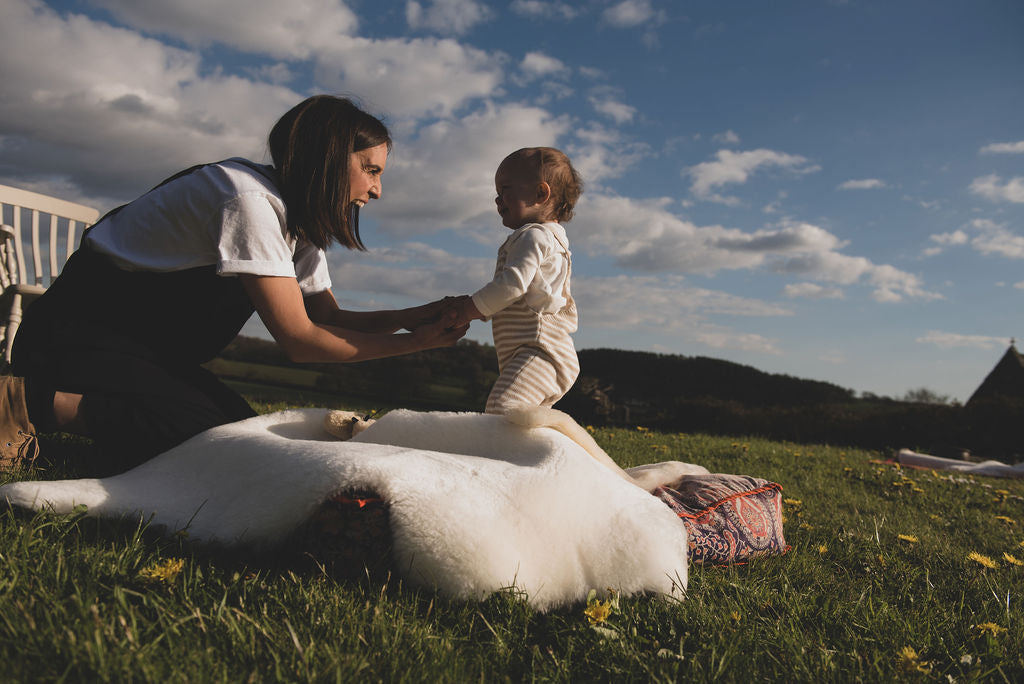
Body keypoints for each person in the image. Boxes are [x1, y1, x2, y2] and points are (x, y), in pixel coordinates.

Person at [0, 95, 467, 472]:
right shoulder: (246, 199)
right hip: (73, 339)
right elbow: (302, 340)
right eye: (371, 169)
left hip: (145, 354)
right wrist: (416, 344)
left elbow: (329, 317)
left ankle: (121, 422)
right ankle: (29, 401)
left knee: (240, 434)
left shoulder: (295, 220)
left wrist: (415, 317)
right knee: (213, 440)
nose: (377, 190)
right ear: (327, 158)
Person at [447, 147, 582, 414]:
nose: (498, 200)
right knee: (521, 420)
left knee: (502, 408)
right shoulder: (551, 238)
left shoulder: (534, 236)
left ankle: (491, 455)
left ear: (540, 194)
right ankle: (538, 454)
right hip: (535, 353)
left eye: (505, 190)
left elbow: (512, 285)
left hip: (540, 352)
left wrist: (466, 311)